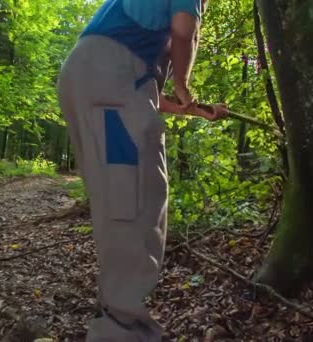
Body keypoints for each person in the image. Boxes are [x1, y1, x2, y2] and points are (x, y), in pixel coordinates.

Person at [57, 0, 227, 340]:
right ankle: (121, 328)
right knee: (136, 204)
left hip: (92, 80)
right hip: (111, 85)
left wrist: (196, 109)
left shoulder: (129, 22)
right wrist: (184, 83)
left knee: (118, 199)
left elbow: (149, 92)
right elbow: (184, 32)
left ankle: (115, 316)